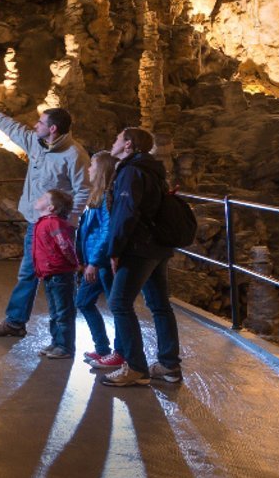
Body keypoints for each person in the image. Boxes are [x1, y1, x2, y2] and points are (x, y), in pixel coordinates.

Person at [0, 98, 88, 339]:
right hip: (36, 224)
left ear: (53, 128)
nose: (36, 125)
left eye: (41, 122)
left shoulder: (74, 154)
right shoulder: (36, 143)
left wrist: (67, 223)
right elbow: (12, 127)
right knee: (27, 273)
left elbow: (84, 189)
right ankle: (15, 322)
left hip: (56, 229)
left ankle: (62, 339)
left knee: (57, 282)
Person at [92, 127, 181, 387]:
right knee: (159, 305)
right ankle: (168, 365)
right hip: (157, 247)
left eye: (117, 138)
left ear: (128, 144)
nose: (113, 142)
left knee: (119, 303)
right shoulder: (152, 169)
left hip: (138, 248)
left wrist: (115, 250)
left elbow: (125, 213)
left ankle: (136, 367)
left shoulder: (131, 171)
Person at [73, 152, 116, 362]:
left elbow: (107, 232)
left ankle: (116, 352)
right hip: (94, 261)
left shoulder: (106, 197)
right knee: (83, 301)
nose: (88, 169)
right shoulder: (96, 196)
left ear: (101, 170)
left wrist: (94, 262)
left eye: (92, 165)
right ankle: (103, 349)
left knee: (116, 307)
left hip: (102, 263)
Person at [30, 189, 81, 359]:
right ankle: (57, 341)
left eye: (44, 197)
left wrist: (74, 264)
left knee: (63, 311)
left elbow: (65, 245)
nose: (39, 198)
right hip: (49, 273)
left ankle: (65, 346)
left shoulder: (54, 223)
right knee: (54, 311)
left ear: (51, 207)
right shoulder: (44, 222)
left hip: (60, 273)